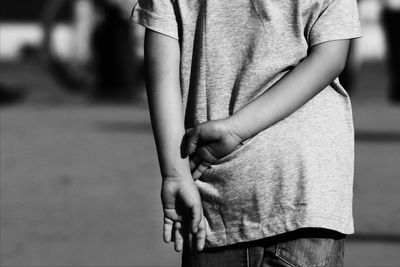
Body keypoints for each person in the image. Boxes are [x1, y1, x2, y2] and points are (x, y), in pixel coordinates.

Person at [132, 0, 362, 266]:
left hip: (217, 187)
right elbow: (330, 56)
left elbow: (161, 61)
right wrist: (236, 129)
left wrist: (175, 172)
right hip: (304, 182)